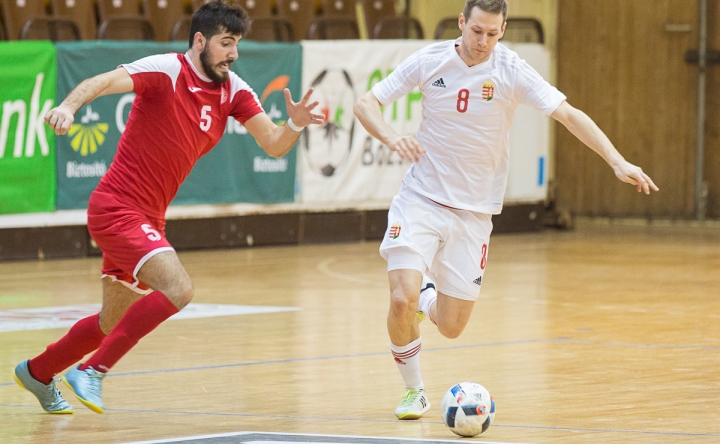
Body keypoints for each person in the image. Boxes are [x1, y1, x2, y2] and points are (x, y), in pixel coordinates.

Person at [353, 0, 659, 420]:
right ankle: (415, 391)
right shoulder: (430, 60)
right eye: (477, 31)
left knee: (451, 325)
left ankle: (428, 296)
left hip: (475, 213)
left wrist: (617, 160)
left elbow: (569, 115)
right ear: (462, 22)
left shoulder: (510, 70)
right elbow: (365, 104)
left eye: (493, 34)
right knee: (400, 300)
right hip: (420, 199)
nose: (483, 42)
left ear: (503, 30)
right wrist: (392, 138)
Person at [13, 1, 323, 414]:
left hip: (149, 218)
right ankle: (93, 372)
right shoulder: (167, 70)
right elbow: (102, 81)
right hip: (116, 208)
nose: (233, 53)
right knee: (179, 289)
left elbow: (273, 143)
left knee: (110, 322)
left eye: (237, 45)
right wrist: (68, 106)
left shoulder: (234, 90)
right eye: (225, 43)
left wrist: (296, 123)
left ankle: (36, 371)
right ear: (200, 41)